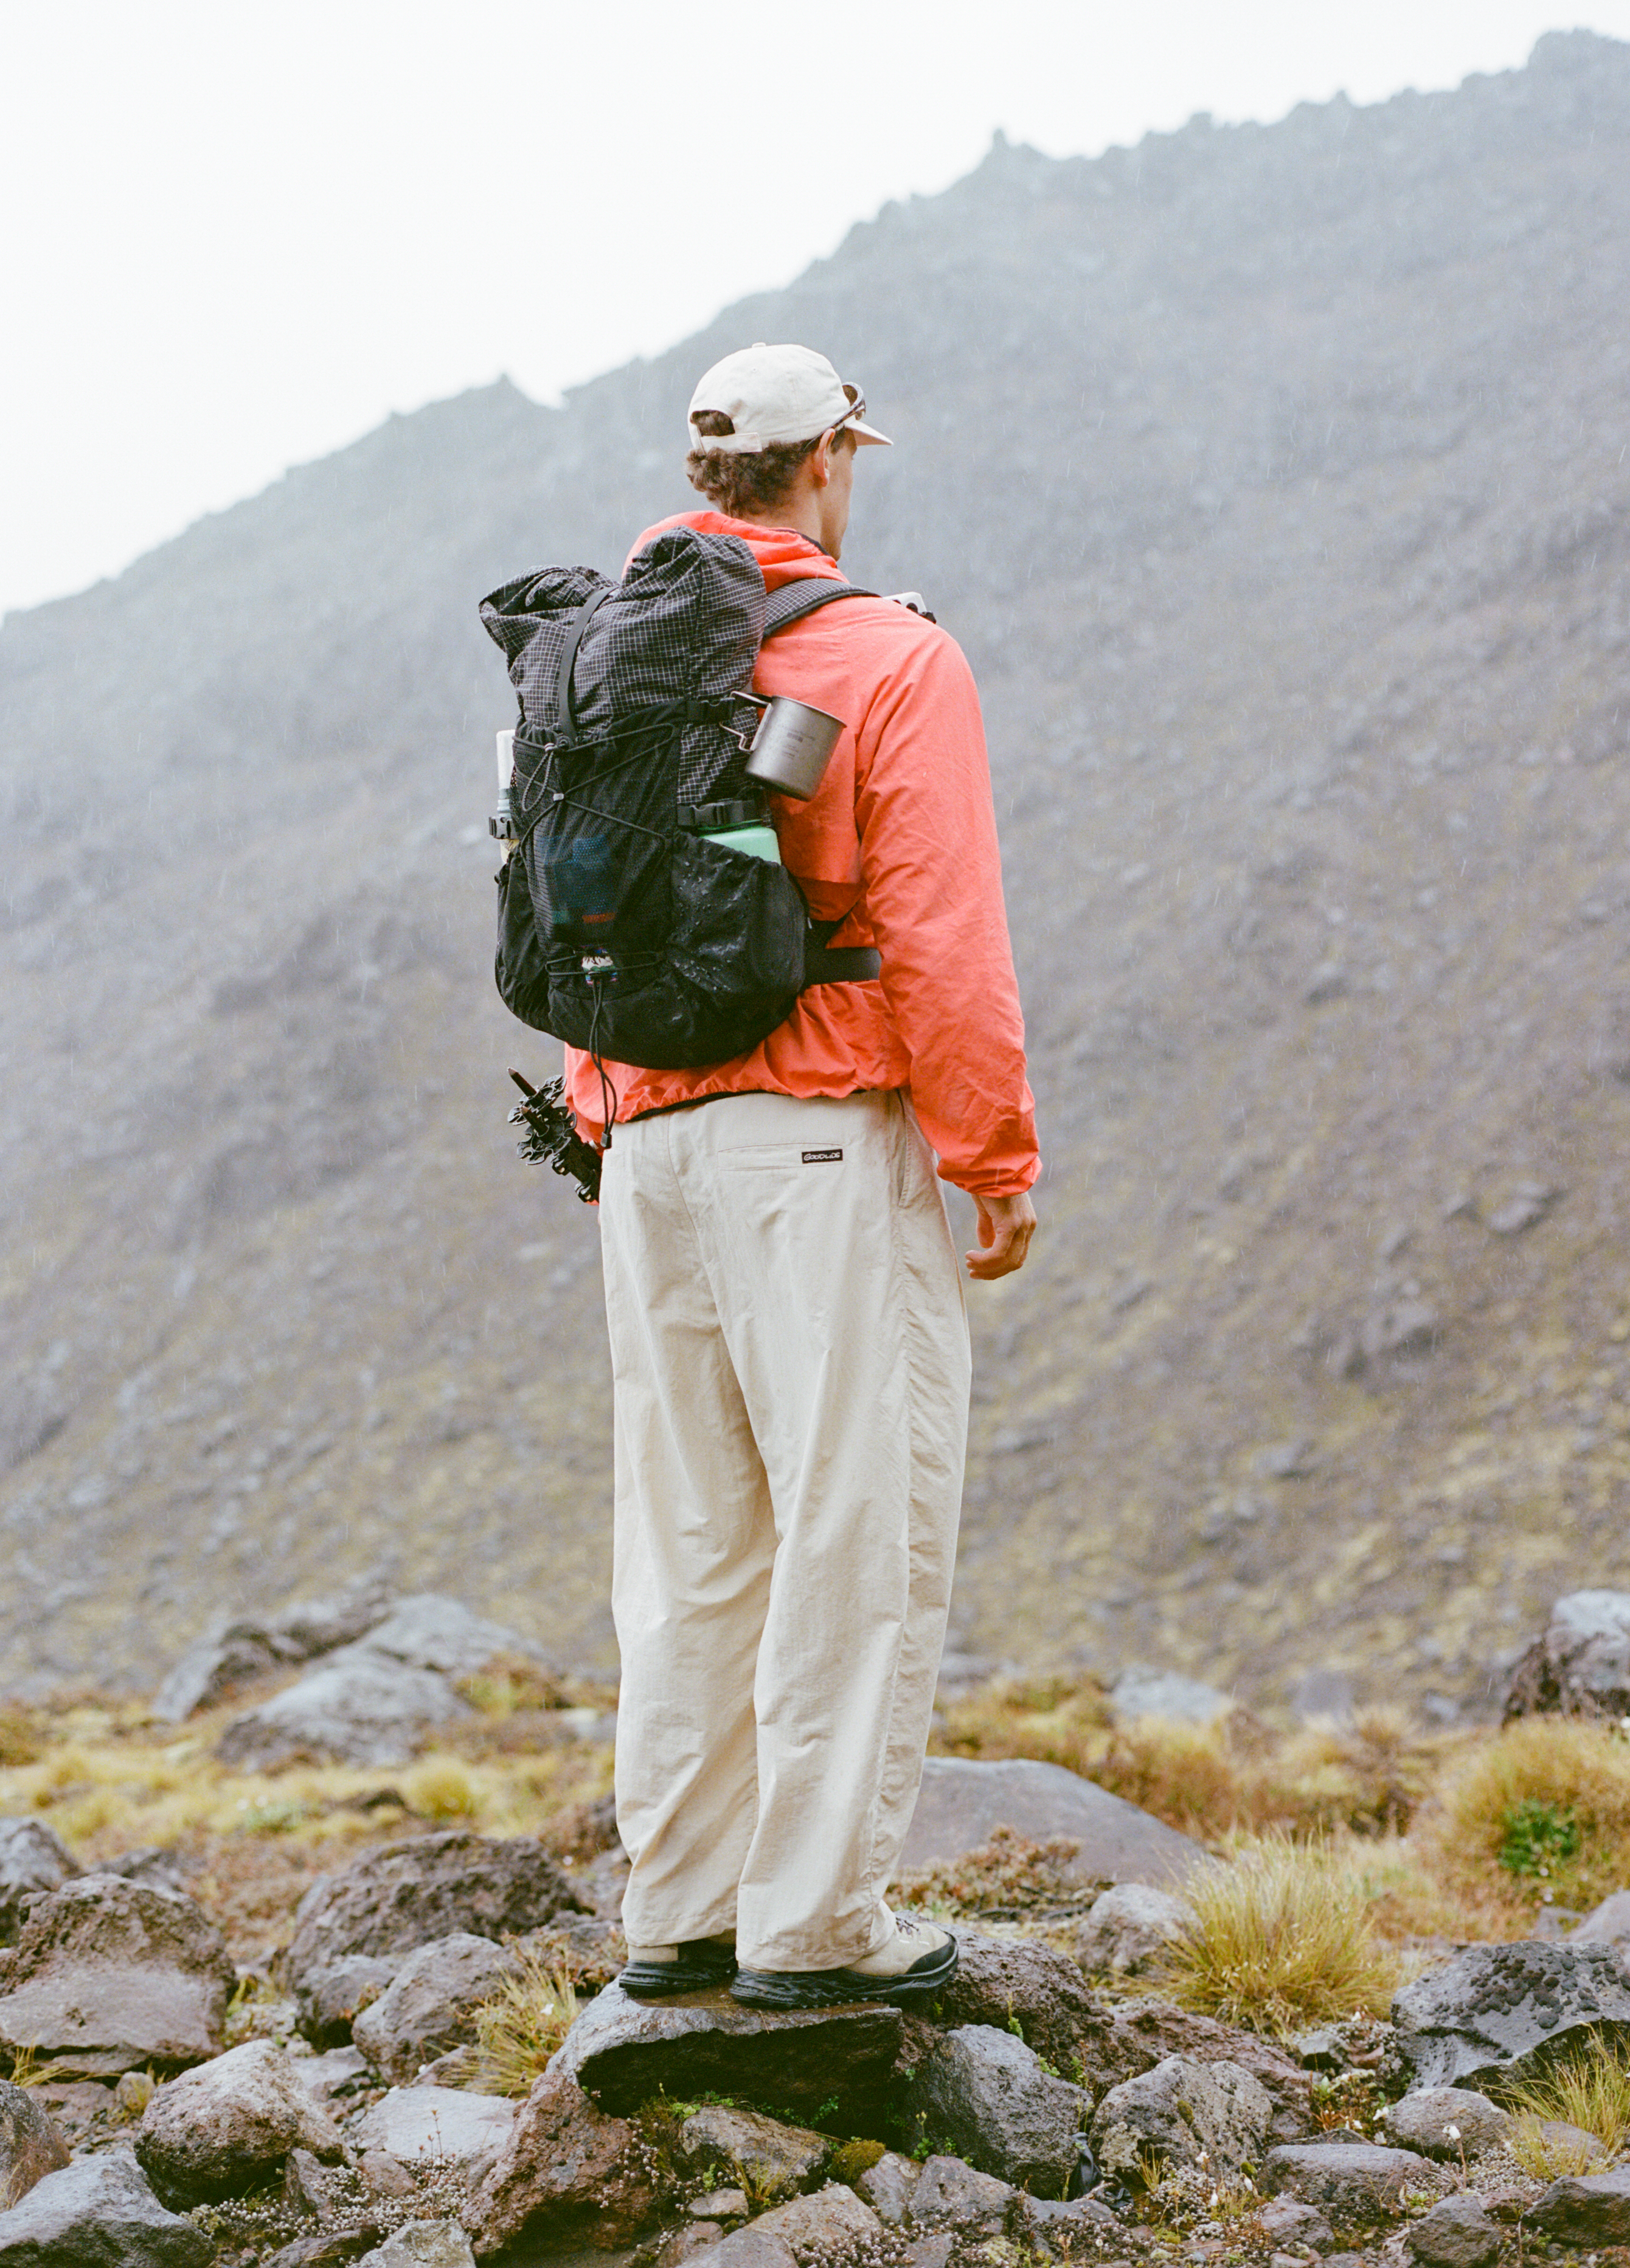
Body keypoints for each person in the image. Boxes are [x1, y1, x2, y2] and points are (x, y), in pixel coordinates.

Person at [567, 341, 1039, 2011]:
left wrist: (605, 1104)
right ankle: (821, 1927)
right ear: (829, 461)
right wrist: (994, 1157)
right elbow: (942, 936)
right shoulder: (889, 657)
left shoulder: (605, 652)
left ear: (706, 477)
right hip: (824, 1150)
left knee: (691, 1543)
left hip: (647, 1142)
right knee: (854, 1522)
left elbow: (572, 907)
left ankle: (678, 1916)